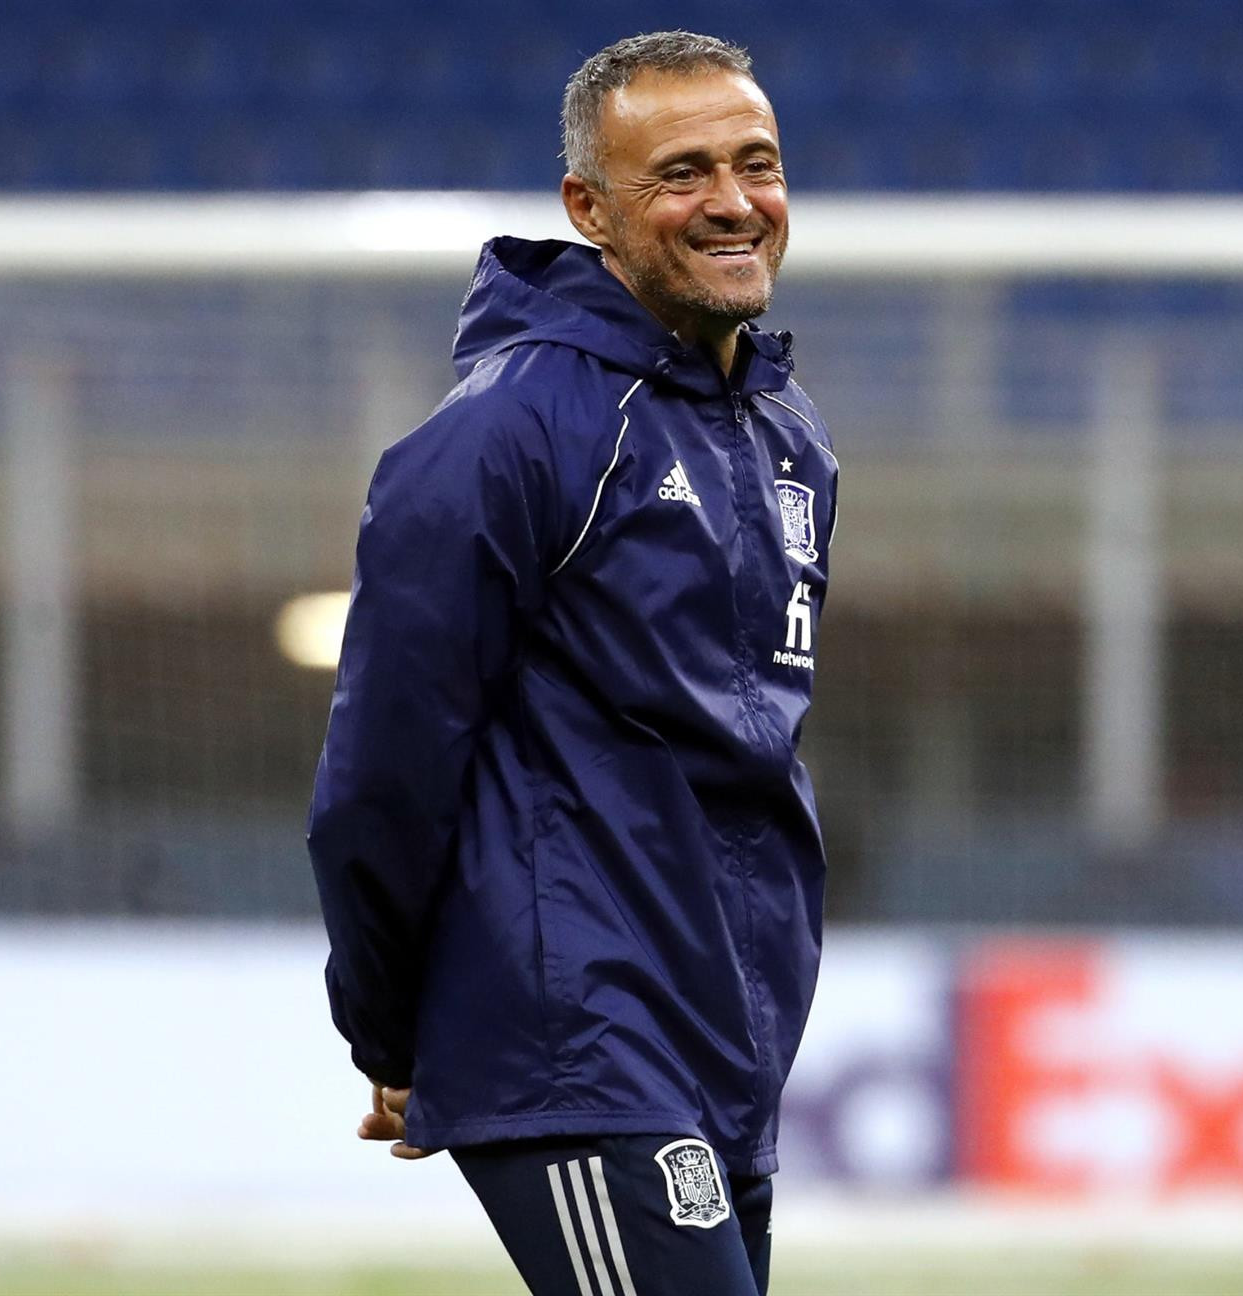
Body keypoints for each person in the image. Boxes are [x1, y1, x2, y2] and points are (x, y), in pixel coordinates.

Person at [306, 30, 836, 1296]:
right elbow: (385, 765)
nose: (731, 201)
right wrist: (387, 1021)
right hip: (576, 1029)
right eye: (681, 172)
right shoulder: (507, 434)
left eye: (754, 164)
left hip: (723, 1030)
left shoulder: (786, 433)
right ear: (588, 209)